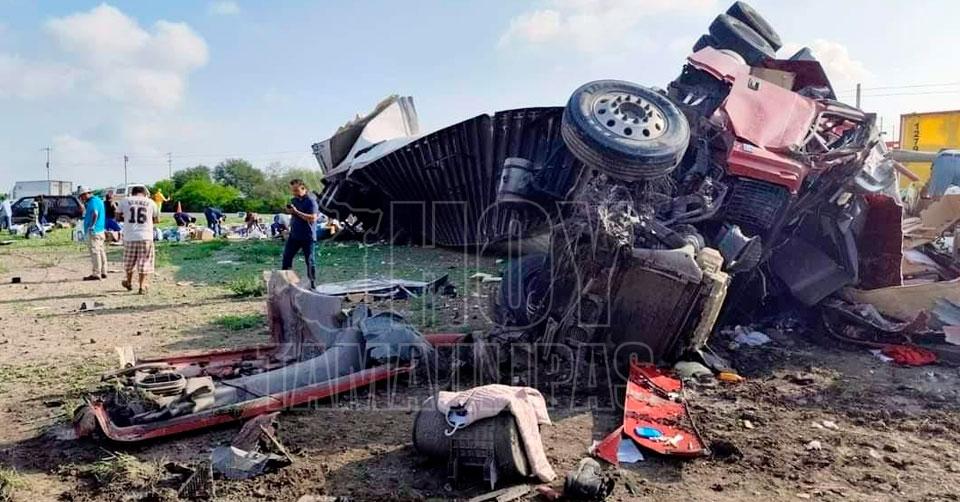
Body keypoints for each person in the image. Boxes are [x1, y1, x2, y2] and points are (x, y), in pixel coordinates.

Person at [117, 186, 159, 294]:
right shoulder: (151, 202)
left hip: (129, 235)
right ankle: (142, 286)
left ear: (132, 193)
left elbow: (117, 217)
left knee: (129, 261)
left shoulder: (124, 201)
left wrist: (126, 219)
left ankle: (129, 282)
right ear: (144, 193)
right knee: (144, 261)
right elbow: (157, 219)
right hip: (146, 236)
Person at [281, 179, 319, 289]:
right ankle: (286, 283)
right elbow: (294, 215)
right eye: (293, 190)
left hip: (307, 236)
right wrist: (290, 211)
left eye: (296, 190)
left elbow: (313, 218)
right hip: (294, 235)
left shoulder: (311, 201)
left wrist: (296, 212)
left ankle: (312, 284)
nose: (294, 193)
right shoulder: (294, 200)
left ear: (304, 189)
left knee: (310, 260)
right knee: (287, 257)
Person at [79, 188, 108, 281]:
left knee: (95, 252)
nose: (82, 198)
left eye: (82, 196)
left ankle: (96, 273)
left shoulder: (92, 202)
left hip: (94, 231)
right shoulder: (99, 200)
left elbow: (95, 213)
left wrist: (92, 225)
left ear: (86, 194)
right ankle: (104, 271)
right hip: (100, 230)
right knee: (101, 251)